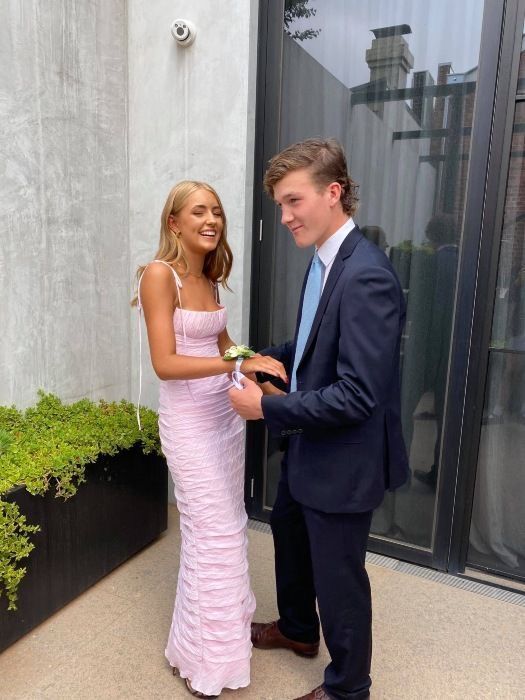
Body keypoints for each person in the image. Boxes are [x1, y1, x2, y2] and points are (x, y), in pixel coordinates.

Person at [229, 138, 409, 700]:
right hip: (309, 446)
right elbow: (310, 346)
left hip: (344, 460)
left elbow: (358, 395)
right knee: (288, 533)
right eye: (280, 205)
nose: (285, 217)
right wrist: (264, 358)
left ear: (333, 193)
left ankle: (348, 688)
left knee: (339, 579)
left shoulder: (367, 275)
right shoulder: (324, 261)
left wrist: (266, 406)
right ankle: (299, 630)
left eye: (293, 201)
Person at [134, 181, 286, 698]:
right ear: (173, 222)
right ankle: (205, 660)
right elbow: (165, 363)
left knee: (229, 526)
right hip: (188, 423)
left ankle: (215, 644)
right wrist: (230, 364)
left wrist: (252, 360)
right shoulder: (161, 275)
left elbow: (224, 344)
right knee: (211, 532)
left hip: (223, 419)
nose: (211, 220)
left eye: (216, 211)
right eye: (199, 211)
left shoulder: (210, 277)